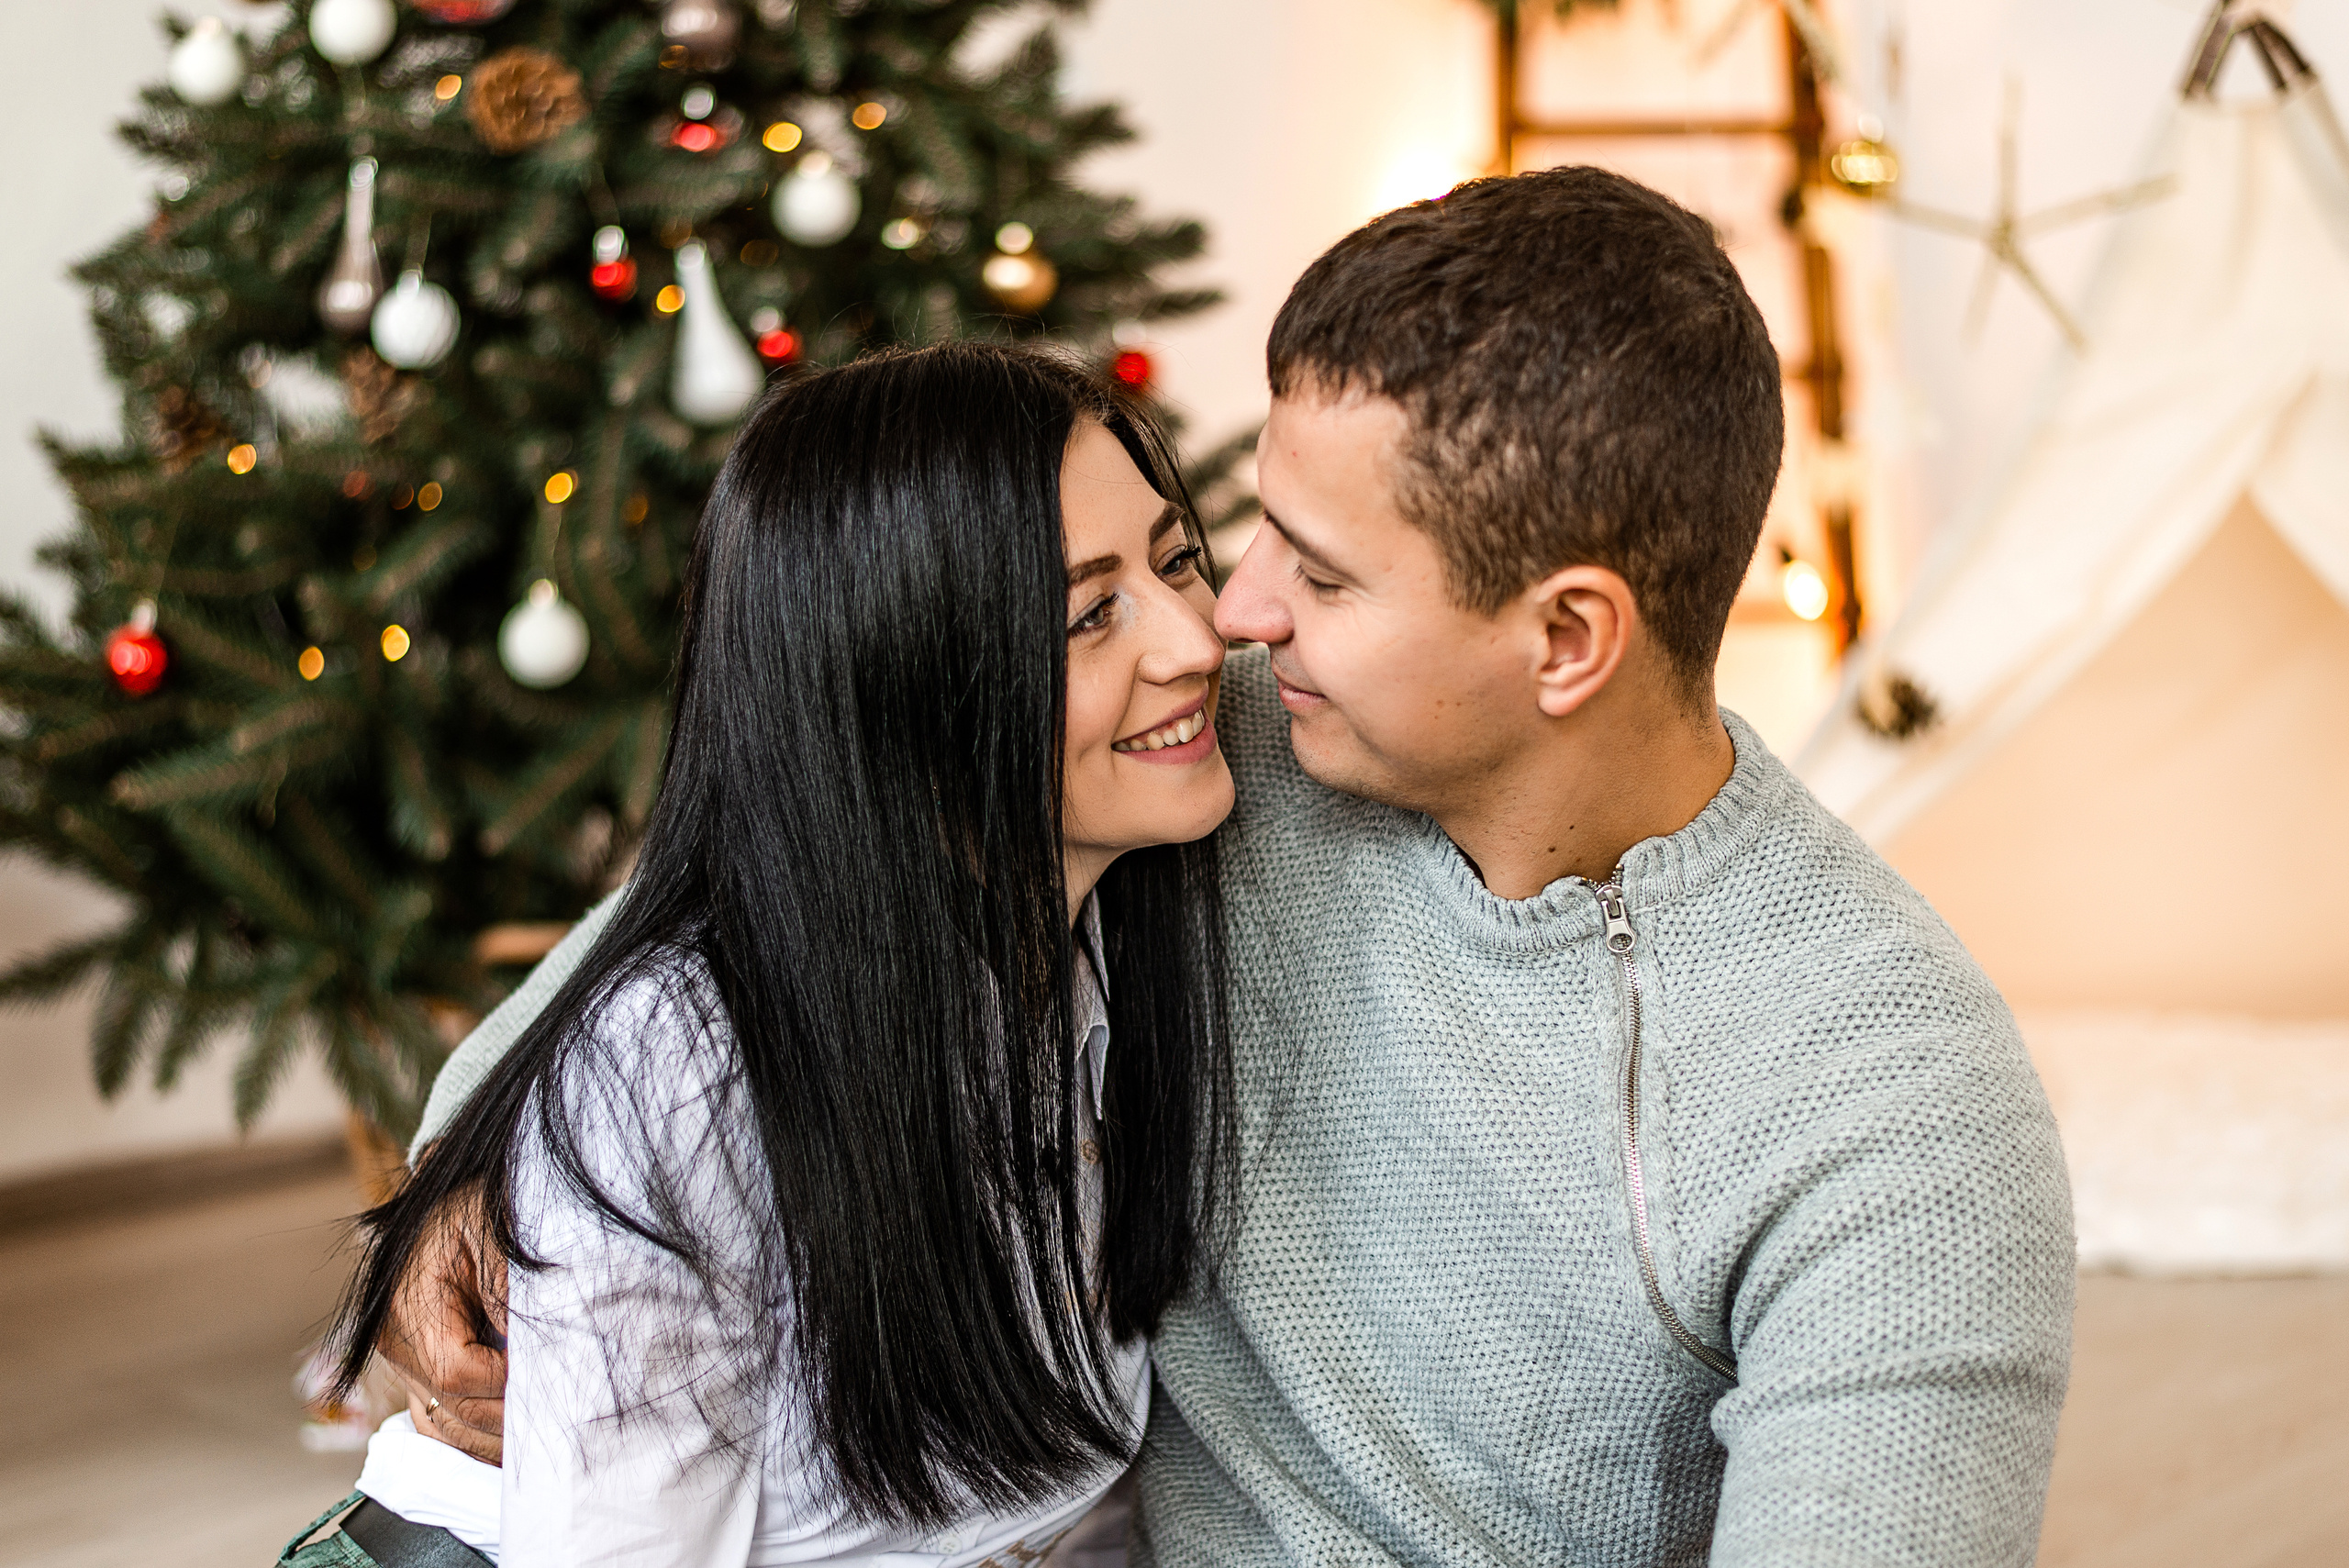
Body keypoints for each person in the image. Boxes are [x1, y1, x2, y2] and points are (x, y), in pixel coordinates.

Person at [386, 167, 2076, 1566]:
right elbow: (797, 853)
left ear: (1568, 637)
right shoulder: (1223, 747)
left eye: (1320, 576)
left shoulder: (1893, 1110)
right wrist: (484, 1164)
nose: (1232, 615)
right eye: (1236, 528)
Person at [283, 341, 1241, 1567]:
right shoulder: (682, 1060)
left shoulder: (1102, 929)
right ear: (896, 688)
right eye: (1090, 613)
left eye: (1176, 562)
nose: (1200, 642)